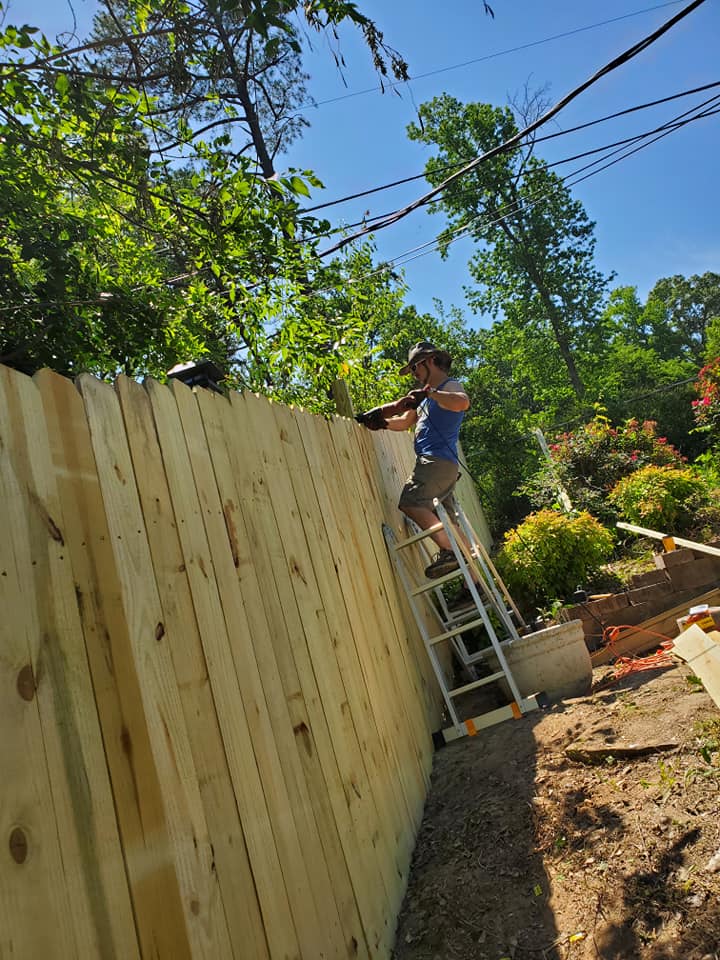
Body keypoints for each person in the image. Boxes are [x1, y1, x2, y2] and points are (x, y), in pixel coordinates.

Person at [357, 341, 470, 578]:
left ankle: (450, 552)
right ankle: (475, 585)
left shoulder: (448, 386)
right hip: (440, 466)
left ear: (429, 361)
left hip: (436, 462)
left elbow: (462, 402)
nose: (414, 374)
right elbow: (406, 422)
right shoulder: (426, 398)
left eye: (415, 368)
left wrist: (432, 393)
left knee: (411, 501)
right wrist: (382, 422)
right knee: (448, 524)